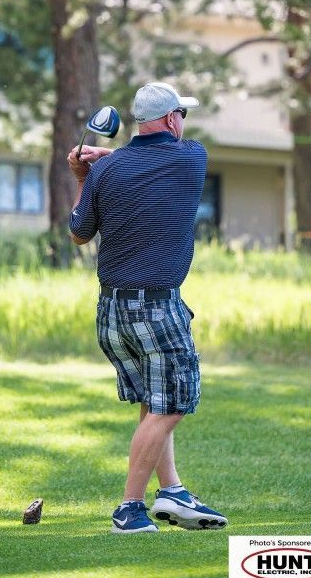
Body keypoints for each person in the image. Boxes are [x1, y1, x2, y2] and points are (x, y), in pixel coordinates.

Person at [67, 81, 228, 534]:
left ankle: (172, 492)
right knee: (171, 405)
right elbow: (150, 162)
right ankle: (129, 509)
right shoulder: (191, 157)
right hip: (156, 308)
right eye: (183, 116)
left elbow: (79, 234)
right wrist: (106, 163)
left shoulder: (104, 172)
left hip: (112, 312)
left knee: (153, 399)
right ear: (173, 119)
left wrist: (86, 176)